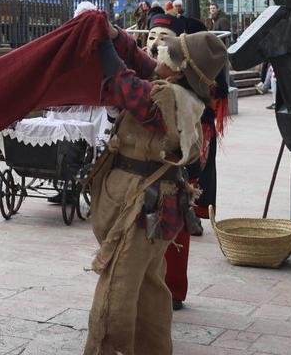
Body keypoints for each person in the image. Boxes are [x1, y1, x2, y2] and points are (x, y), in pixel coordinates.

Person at [85, 20, 228, 355]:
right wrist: (117, 36)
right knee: (150, 288)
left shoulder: (167, 98)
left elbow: (124, 84)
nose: (159, 53)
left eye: (168, 52)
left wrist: (104, 45)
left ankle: (107, 348)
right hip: (156, 204)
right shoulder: (179, 91)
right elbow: (140, 63)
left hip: (140, 206)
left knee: (117, 286)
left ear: (178, 72)